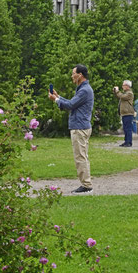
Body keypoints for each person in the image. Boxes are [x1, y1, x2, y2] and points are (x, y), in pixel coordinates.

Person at [49, 64, 94, 193]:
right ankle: (86, 184)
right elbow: (72, 103)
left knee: (80, 157)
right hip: (81, 126)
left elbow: (70, 105)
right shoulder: (83, 89)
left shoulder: (84, 90)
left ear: (80, 75)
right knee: (82, 156)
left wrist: (56, 100)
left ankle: (86, 186)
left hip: (79, 127)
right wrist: (58, 97)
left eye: (73, 73)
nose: (72, 76)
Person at [113, 80, 135, 148]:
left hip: (128, 113)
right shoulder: (125, 93)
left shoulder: (129, 93)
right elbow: (119, 96)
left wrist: (117, 91)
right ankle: (126, 141)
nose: (122, 86)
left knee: (128, 128)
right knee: (125, 128)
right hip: (124, 113)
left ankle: (129, 142)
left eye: (123, 85)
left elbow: (122, 97)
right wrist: (115, 92)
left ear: (127, 86)